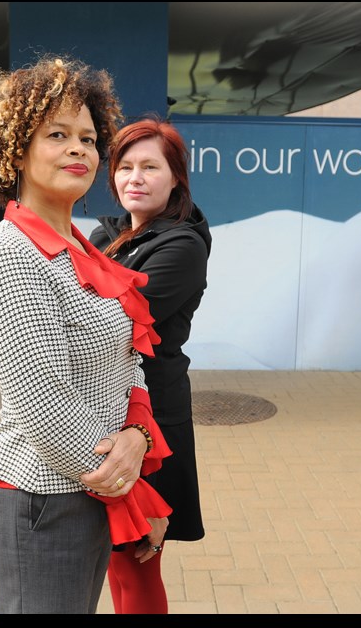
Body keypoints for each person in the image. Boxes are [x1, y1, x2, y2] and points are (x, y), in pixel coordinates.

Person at [0, 55, 173, 614]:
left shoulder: (83, 247)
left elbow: (127, 359)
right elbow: (43, 403)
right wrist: (127, 483)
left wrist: (139, 437)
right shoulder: (8, 255)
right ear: (15, 150)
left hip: (90, 484)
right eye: (57, 134)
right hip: (41, 497)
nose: (79, 148)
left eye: (87, 136)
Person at [89, 117, 212, 614]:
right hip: (106, 410)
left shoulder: (182, 246)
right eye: (125, 167)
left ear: (176, 177)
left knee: (136, 562)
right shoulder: (106, 233)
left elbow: (107, 320)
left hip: (150, 420)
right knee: (115, 559)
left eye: (150, 167)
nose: (134, 178)